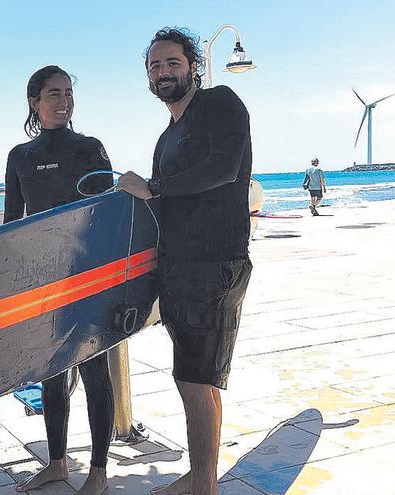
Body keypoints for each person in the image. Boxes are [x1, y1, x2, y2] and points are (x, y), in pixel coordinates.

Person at [116, 28, 253, 495]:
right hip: (178, 267)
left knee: (197, 380)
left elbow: (224, 169)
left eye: (172, 62)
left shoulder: (220, 104)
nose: (163, 72)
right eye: (154, 66)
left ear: (193, 65)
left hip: (214, 264)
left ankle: (204, 487)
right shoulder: (165, 137)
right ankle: (201, 476)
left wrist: (153, 187)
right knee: (196, 379)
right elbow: (166, 207)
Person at [5, 65, 114, 495]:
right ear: (35, 101)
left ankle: (100, 472)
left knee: (94, 369)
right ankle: (56, 464)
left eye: (68, 92)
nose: (64, 100)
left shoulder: (90, 148)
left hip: (88, 275)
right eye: (54, 93)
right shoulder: (20, 156)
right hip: (44, 279)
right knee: (51, 370)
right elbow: (12, 224)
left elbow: (108, 212)